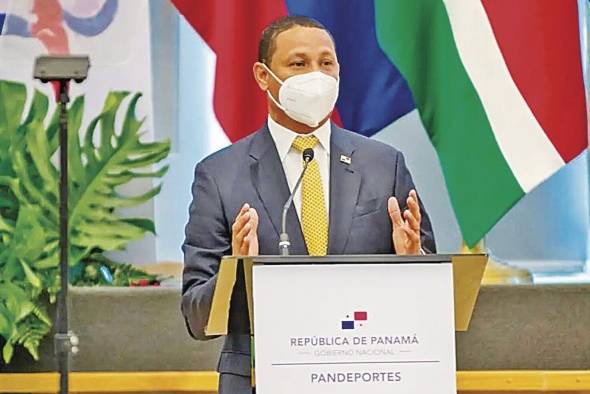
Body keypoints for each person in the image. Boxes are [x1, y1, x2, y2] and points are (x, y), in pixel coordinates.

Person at [182, 15, 436, 394]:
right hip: (260, 379)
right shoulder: (219, 175)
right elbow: (196, 317)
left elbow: (434, 298)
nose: (315, 75)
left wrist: (413, 262)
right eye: (299, 64)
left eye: (326, 63)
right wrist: (236, 270)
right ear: (263, 76)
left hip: (368, 373)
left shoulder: (384, 165)